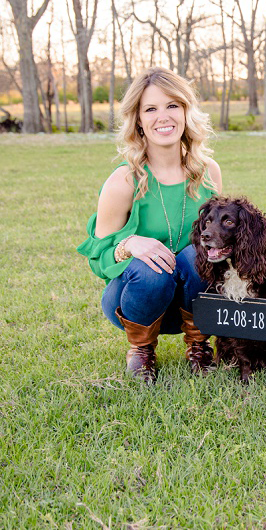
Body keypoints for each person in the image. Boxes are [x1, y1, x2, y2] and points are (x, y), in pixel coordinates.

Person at [77, 67, 223, 383]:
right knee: (151, 266)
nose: (163, 117)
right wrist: (128, 244)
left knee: (199, 254)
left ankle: (198, 345)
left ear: (186, 112)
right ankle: (142, 351)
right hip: (137, 300)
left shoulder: (208, 172)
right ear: (139, 120)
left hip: (193, 301)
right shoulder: (124, 180)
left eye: (172, 105)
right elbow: (97, 258)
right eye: (151, 109)